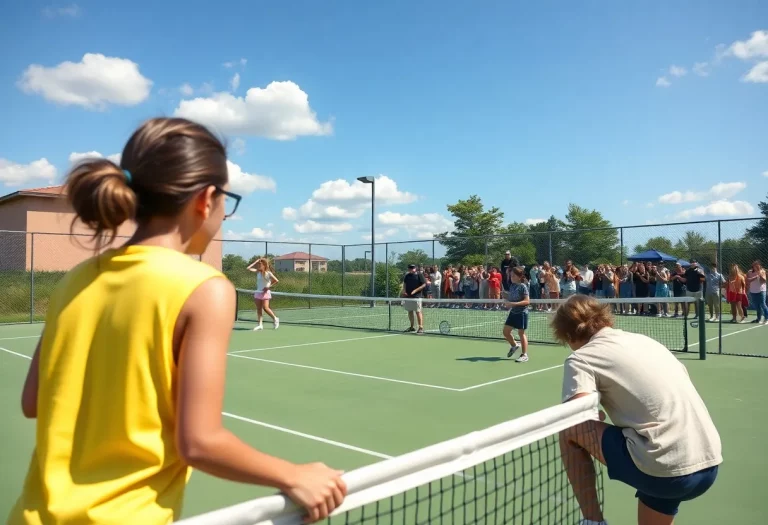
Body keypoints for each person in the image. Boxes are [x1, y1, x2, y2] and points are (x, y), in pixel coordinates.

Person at [8, 117, 347, 525]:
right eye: (227, 202)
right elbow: (199, 442)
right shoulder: (204, 288)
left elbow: (33, 402)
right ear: (206, 200)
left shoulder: (74, 280)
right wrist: (295, 475)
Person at [553, 295, 721, 525]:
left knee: (569, 430)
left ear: (569, 335)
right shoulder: (645, 341)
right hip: (708, 465)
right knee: (653, 461)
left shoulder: (581, 358)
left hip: (666, 471)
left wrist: (586, 411)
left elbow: (579, 416)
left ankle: (592, 521)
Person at [503, 267, 530, 362]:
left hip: (521, 313)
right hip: (513, 312)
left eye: (513, 275)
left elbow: (527, 301)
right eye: (511, 275)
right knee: (506, 332)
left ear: (519, 277)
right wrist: (505, 295)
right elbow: (511, 298)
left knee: (521, 333)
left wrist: (513, 304)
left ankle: (524, 355)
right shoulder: (512, 286)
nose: (511, 277)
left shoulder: (523, 286)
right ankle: (514, 345)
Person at [246, 257, 280, 330]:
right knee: (259, 309)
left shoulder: (268, 273)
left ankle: (275, 318)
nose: (259, 266)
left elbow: (276, 280)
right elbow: (248, 268)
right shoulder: (258, 272)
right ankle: (260, 325)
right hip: (258, 292)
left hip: (265, 293)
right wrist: (256, 262)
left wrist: (268, 287)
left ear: (264, 265)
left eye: (260, 265)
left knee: (265, 308)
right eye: (258, 265)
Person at [402, 264, 426, 333]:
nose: (412, 269)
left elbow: (424, 284)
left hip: (417, 297)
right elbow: (405, 284)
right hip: (408, 297)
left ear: (415, 268)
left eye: (413, 268)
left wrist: (415, 290)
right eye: (410, 268)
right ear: (408, 269)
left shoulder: (419, 275)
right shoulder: (407, 276)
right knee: (410, 311)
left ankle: (420, 327)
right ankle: (412, 327)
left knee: (418, 312)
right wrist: (404, 290)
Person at [746, 260, 768, 324]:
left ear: (759, 265)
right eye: (754, 265)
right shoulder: (749, 272)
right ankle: (758, 319)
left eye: (757, 265)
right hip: (753, 291)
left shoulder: (762, 271)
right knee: (757, 306)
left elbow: (763, 281)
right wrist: (755, 277)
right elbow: (747, 280)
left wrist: (759, 274)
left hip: (761, 291)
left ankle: (766, 318)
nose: (755, 266)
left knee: (763, 304)